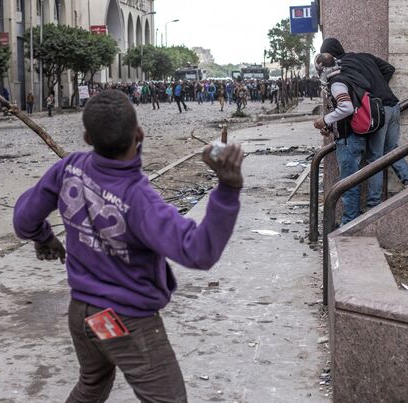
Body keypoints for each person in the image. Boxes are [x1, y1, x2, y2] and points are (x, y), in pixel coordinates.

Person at [13, 90, 243, 403]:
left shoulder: (69, 167)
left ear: (87, 137)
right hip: (122, 323)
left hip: (82, 314)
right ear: (139, 134)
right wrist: (227, 191)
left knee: (91, 385)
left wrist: (43, 238)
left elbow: (23, 218)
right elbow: (198, 251)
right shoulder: (140, 200)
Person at [321, 38, 408, 208]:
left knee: (375, 158)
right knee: (391, 149)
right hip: (394, 106)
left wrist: (371, 96)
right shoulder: (364, 56)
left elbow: (355, 90)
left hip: (378, 111)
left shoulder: (341, 67)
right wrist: (380, 86)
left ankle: (374, 204)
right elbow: (389, 68)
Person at [313, 53, 370, 225]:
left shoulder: (337, 83)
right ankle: (351, 216)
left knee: (348, 183)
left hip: (348, 140)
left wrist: (325, 120)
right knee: (351, 181)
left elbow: (346, 107)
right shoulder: (344, 78)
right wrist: (330, 127)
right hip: (352, 138)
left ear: (321, 68)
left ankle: (349, 221)